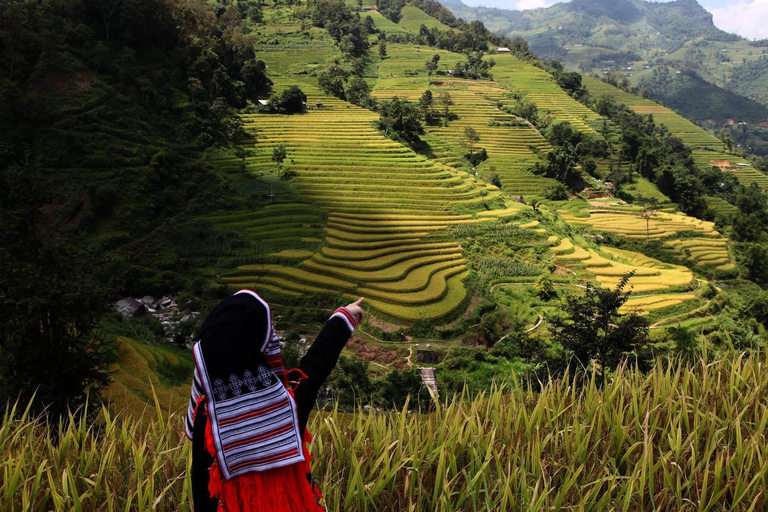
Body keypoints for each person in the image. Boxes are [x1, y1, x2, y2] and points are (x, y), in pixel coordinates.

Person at [185, 289, 365, 512]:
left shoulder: (206, 416)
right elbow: (318, 361)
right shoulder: (288, 401)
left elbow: (202, 490)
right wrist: (344, 316)